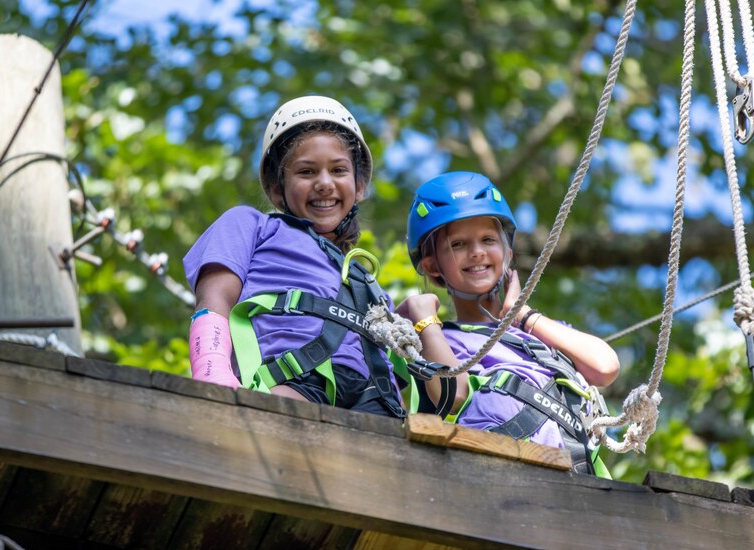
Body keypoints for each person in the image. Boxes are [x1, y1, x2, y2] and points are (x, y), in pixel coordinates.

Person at [182, 95, 406, 418]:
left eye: (339, 170)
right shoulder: (253, 226)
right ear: (277, 189)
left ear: (359, 186)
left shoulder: (365, 282)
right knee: (281, 431)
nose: (325, 183)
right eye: (306, 172)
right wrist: (213, 377)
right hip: (295, 380)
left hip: (375, 400)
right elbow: (215, 298)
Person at [399, 171, 620, 474]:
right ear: (432, 266)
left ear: (507, 253)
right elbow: (453, 393)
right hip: (500, 479)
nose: (477, 251)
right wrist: (424, 319)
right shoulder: (441, 340)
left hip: (578, 485)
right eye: (459, 244)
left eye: (488, 239)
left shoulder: (540, 340)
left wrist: (522, 315)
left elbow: (605, 366)